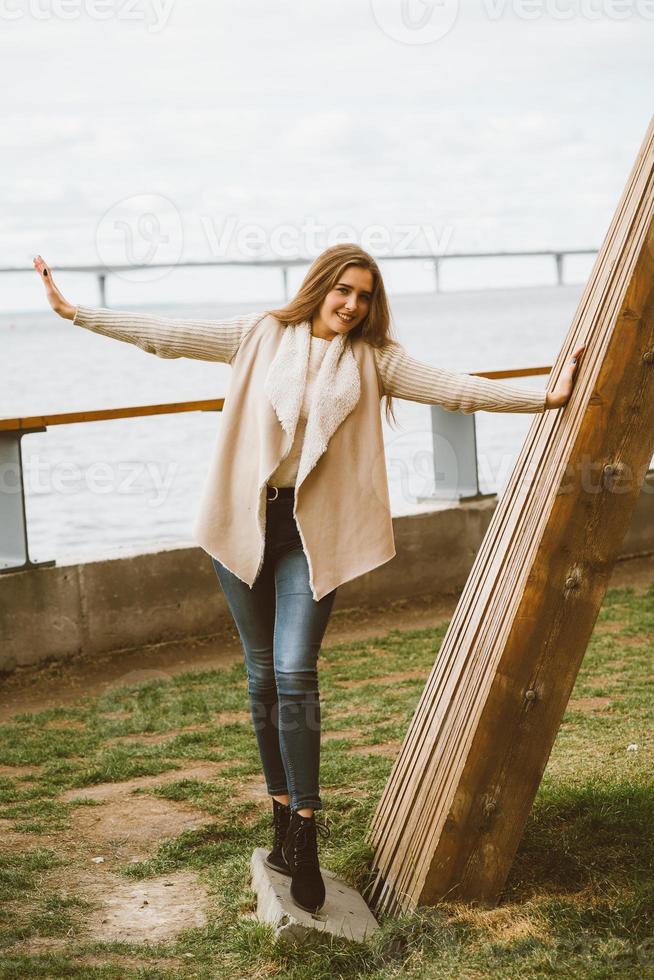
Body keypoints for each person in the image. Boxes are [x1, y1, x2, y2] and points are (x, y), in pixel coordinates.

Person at [33, 245, 584, 914]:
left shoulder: (375, 360)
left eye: (365, 296)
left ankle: (306, 828)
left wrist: (544, 397)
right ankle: (279, 814)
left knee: (296, 671)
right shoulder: (260, 333)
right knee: (262, 675)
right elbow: (166, 337)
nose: (352, 304)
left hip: (311, 536)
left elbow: (455, 387)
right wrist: (73, 312)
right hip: (245, 524)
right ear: (321, 288)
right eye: (344, 291)